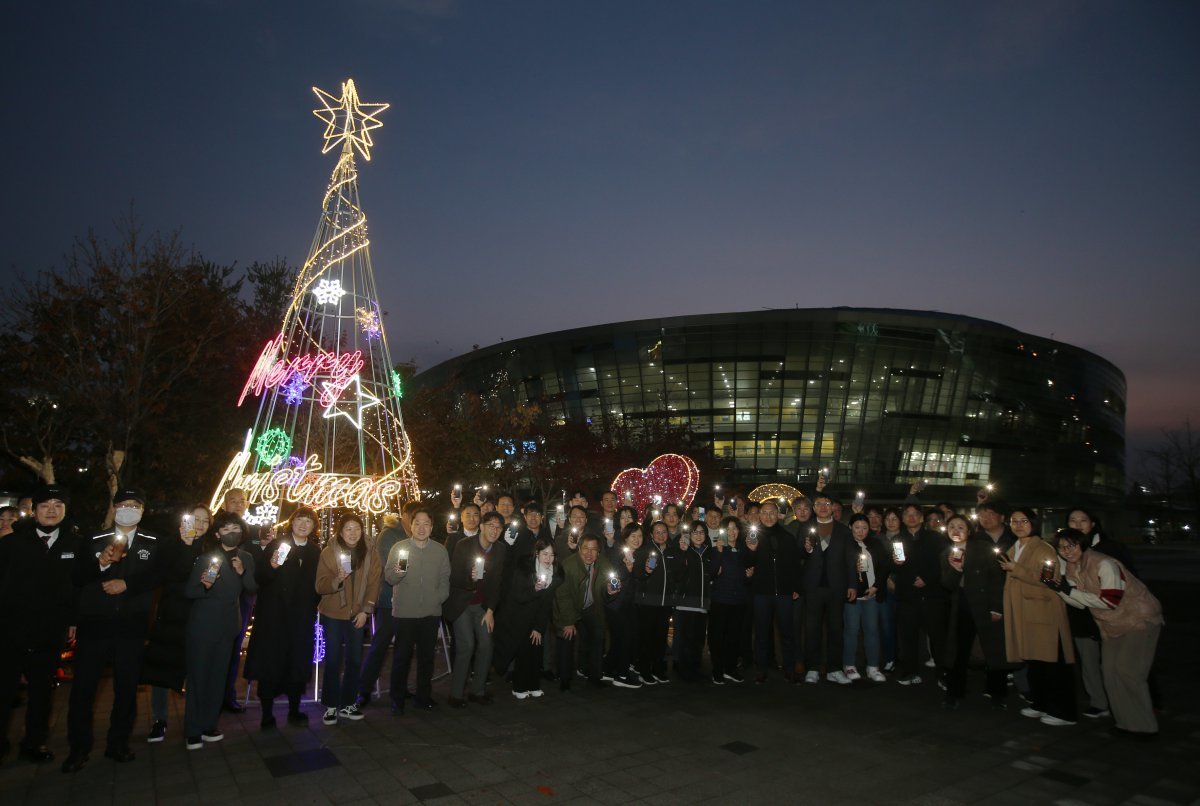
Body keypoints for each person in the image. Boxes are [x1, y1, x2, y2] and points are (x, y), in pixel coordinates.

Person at [64, 489, 164, 773]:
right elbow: (78, 577)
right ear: (115, 507)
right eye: (123, 505)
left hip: (131, 626)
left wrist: (127, 585)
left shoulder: (154, 542)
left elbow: (158, 575)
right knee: (83, 689)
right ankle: (79, 748)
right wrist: (101, 563)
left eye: (135, 505)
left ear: (142, 511)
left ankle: (118, 743)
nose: (128, 509)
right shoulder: (93, 539)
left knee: (126, 688)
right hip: (95, 624)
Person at [1051, 529, 1163, 737]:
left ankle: (1145, 726)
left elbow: (1110, 601)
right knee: (1110, 672)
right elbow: (1080, 603)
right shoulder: (1074, 568)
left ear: (1082, 544)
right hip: (1112, 625)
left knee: (1129, 672)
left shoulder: (1104, 564)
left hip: (1139, 619)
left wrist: (1068, 591)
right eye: (1062, 547)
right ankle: (1125, 723)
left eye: (1072, 545)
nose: (1067, 551)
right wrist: (1059, 589)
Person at [0, 485, 79, 765]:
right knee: (4, 689)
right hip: (10, 629)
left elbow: (76, 587)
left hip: (49, 631)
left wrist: (71, 621)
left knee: (41, 693)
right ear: (34, 511)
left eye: (58, 505)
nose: (51, 510)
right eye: (45, 505)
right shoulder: (11, 543)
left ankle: (34, 742)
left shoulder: (73, 545)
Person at [182, 512, 257, 750]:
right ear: (217, 534)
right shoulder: (207, 558)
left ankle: (209, 724)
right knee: (199, 675)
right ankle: (192, 729)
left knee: (218, 676)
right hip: (203, 624)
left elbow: (252, 587)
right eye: (225, 529)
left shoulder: (245, 557)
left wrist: (242, 572)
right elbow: (190, 591)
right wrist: (205, 585)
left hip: (228, 625)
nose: (231, 532)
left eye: (235, 528)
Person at [998, 508, 1077, 727]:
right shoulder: (1016, 547)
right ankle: (1041, 703)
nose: (1018, 525)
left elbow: (1048, 580)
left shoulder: (1043, 549)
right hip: (1025, 612)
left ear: (1033, 523)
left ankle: (1063, 711)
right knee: (1036, 663)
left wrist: (1017, 569)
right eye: (1014, 521)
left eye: (1024, 521)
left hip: (1043, 613)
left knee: (1052, 664)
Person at [244, 507, 321, 728]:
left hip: (301, 617)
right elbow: (260, 577)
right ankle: (267, 714)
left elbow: (317, 584)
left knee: (296, 663)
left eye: (308, 521)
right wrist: (272, 566)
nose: (303, 524)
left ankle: (295, 709)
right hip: (274, 616)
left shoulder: (315, 551)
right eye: (299, 520)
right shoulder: (278, 545)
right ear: (292, 522)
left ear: (313, 527)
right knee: (271, 664)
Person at [141, 504, 209, 743]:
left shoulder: (210, 549)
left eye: (205, 521)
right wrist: (186, 547)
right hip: (171, 615)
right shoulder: (169, 545)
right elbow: (170, 577)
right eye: (196, 519)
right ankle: (159, 720)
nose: (200, 525)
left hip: (198, 616)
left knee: (194, 670)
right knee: (162, 669)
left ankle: (193, 721)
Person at [315, 513, 381, 725]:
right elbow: (320, 585)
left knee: (354, 659)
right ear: (340, 532)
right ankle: (331, 705)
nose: (353, 533)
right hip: (333, 613)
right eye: (348, 529)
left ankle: (349, 702)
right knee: (333, 659)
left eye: (357, 529)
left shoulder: (370, 553)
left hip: (357, 614)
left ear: (362, 531)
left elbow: (374, 583)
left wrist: (366, 610)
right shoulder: (328, 552)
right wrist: (337, 580)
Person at [384, 509, 450, 714]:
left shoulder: (440, 550)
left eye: (426, 524)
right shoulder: (399, 548)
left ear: (431, 527)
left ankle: (423, 696)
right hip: (405, 613)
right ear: (410, 526)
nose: (421, 528)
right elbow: (389, 578)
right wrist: (398, 573)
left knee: (426, 658)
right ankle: (397, 698)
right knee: (401, 657)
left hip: (430, 613)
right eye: (417, 523)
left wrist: (437, 600)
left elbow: (445, 580)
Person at [941, 514, 1010, 709]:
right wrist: (956, 569)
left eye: (961, 527)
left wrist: (996, 607)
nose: (956, 530)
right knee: (959, 651)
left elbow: (998, 579)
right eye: (952, 527)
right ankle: (954, 693)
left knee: (993, 650)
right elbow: (946, 584)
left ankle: (998, 693)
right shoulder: (946, 553)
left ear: (969, 531)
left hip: (984, 603)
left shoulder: (982, 548)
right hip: (962, 604)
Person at [445, 511, 507, 707]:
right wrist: (470, 579)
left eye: (498, 527)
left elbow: (497, 582)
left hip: (482, 605)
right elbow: (453, 578)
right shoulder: (464, 545)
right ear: (481, 526)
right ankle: (456, 694)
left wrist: (490, 610)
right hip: (462, 603)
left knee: (487, 645)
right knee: (467, 646)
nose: (494, 530)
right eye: (491, 525)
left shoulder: (500, 550)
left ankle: (477, 691)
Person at [891, 503, 950, 687]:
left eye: (915, 514)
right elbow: (894, 567)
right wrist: (897, 565)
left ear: (922, 517)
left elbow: (943, 564)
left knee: (938, 637)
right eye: (907, 514)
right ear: (903, 518)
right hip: (908, 596)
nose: (911, 517)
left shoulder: (936, 538)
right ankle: (911, 672)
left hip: (932, 595)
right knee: (908, 637)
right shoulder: (898, 539)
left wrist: (927, 579)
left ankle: (943, 674)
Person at [494, 539, 562, 699]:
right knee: (523, 653)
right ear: (537, 554)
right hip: (518, 617)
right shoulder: (524, 570)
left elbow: (546, 605)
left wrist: (539, 627)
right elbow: (519, 597)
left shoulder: (553, 574)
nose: (548, 558)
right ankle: (519, 687)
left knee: (536, 650)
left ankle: (533, 685)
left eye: (552, 555)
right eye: (545, 554)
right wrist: (535, 589)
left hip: (536, 618)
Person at [215, 488, 261, 713]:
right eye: (232, 500)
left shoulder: (253, 531)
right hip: (216, 598)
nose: (238, 504)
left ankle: (227, 695)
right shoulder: (216, 530)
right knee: (214, 648)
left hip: (243, 599)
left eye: (242, 501)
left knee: (234, 648)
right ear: (224, 505)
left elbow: (257, 568)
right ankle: (211, 696)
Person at [800, 494, 855, 684]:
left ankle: (834, 668)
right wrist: (806, 550)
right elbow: (797, 555)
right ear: (813, 508)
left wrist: (852, 584)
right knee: (812, 629)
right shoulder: (806, 527)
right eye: (819, 504)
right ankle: (812, 668)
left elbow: (850, 560)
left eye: (827, 504)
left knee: (836, 629)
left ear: (833, 507)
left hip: (836, 587)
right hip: (813, 587)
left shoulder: (843, 531)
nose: (823, 507)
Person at [747, 500, 801, 684]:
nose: (768, 516)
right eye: (765, 513)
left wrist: (796, 587)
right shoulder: (753, 537)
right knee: (761, 634)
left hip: (784, 592)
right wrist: (751, 551)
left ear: (778, 515)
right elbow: (746, 563)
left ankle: (789, 669)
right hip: (761, 592)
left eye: (772, 513)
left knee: (787, 633)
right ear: (759, 515)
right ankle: (761, 670)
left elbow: (795, 565)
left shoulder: (788, 537)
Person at [554, 534, 616, 690]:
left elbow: (607, 587)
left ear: (599, 552)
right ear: (578, 549)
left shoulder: (603, 564)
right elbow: (562, 595)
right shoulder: (568, 565)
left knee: (598, 635)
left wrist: (610, 591)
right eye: (585, 549)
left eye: (594, 549)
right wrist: (568, 621)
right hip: (570, 605)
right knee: (567, 637)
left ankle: (594, 675)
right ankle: (565, 678)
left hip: (590, 606)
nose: (589, 553)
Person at [633, 520, 682, 685]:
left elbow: (677, 574)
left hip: (666, 602)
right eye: (658, 532)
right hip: (648, 602)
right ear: (652, 534)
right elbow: (637, 574)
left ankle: (659, 669)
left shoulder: (672, 551)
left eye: (664, 532)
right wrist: (646, 572)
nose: (661, 535)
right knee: (646, 638)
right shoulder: (644, 550)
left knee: (661, 639)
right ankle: (645, 671)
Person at [842, 513, 889, 683]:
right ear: (850, 528)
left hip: (872, 594)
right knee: (851, 631)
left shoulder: (875, 544)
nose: (861, 531)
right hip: (853, 597)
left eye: (864, 528)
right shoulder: (845, 545)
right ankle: (849, 665)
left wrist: (876, 586)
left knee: (872, 631)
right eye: (857, 527)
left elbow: (885, 566)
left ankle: (873, 666)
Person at [708, 516, 753, 683]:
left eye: (734, 528)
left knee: (734, 637)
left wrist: (749, 576)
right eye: (728, 529)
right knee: (718, 637)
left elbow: (748, 572)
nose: (732, 532)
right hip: (720, 599)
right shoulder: (716, 549)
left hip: (739, 600)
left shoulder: (743, 549)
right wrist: (719, 552)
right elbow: (712, 572)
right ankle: (717, 669)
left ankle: (730, 668)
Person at [603, 524, 643, 689]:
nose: (637, 539)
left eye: (640, 536)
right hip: (616, 604)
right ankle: (621, 675)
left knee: (620, 639)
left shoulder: (636, 554)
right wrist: (626, 569)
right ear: (625, 538)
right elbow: (613, 577)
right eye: (633, 536)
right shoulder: (618, 553)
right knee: (626, 638)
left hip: (627, 604)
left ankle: (607, 670)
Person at [674, 522, 712, 682]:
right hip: (686, 602)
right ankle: (684, 670)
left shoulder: (709, 552)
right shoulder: (683, 550)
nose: (698, 535)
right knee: (686, 638)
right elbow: (676, 575)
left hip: (702, 603)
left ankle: (696, 668)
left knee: (698, 639)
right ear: (689, 535)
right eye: (694, 532)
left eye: (701, 532)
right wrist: (682, 553)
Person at [878, 508, 902, 673]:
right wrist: (886, 580)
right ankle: (890, 658)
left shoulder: (906, 538)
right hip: (884, 589)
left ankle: (904, 657)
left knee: (904, 626)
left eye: (894, 519)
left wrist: (896, 581)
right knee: (886, 626)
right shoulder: (878, 540)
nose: (891, 522)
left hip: (904, 589)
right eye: (888, 519)